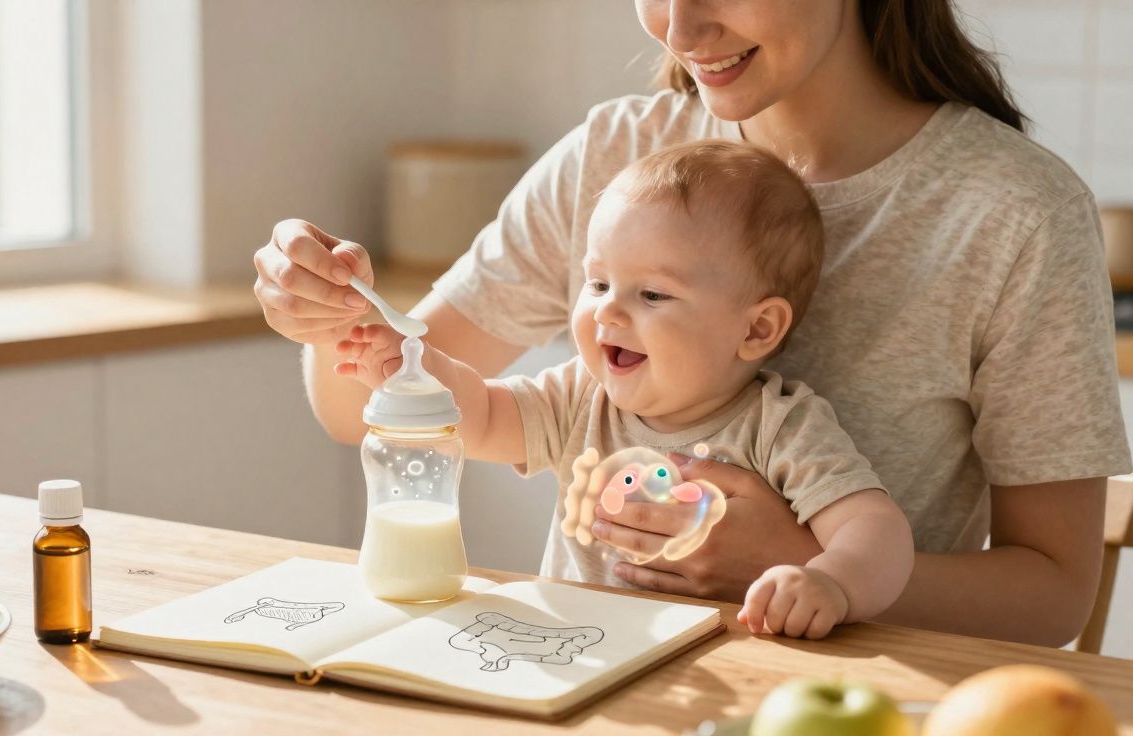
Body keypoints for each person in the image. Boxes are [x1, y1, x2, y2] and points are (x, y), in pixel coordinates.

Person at [253, 0, 1130, 645]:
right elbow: (363, 408)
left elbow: (1052, 595)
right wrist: (328, 310)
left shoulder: (1012, 212)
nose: (677, 28)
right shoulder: (617, 159)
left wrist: (791, 564)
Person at [335, 141, 914, 639]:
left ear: (756, 328)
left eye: (653, 295)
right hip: (580, 655)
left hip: (725, 672)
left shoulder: (781, 427)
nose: (608, 309)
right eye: (598, 282)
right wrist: (413, 365)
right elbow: (482, 414)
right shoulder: (581, 396)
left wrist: (830, 582)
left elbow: (877, 530)